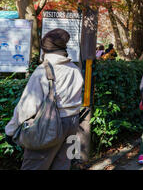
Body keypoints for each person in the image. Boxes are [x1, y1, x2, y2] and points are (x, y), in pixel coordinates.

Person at [4, 29, 84, 170]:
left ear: (44, 50)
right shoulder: (74, 69)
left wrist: (11, 130)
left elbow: (28, 106)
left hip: (49, 125)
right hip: (72, 123)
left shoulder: (44, 70)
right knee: (62, 165)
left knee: (34, 165)